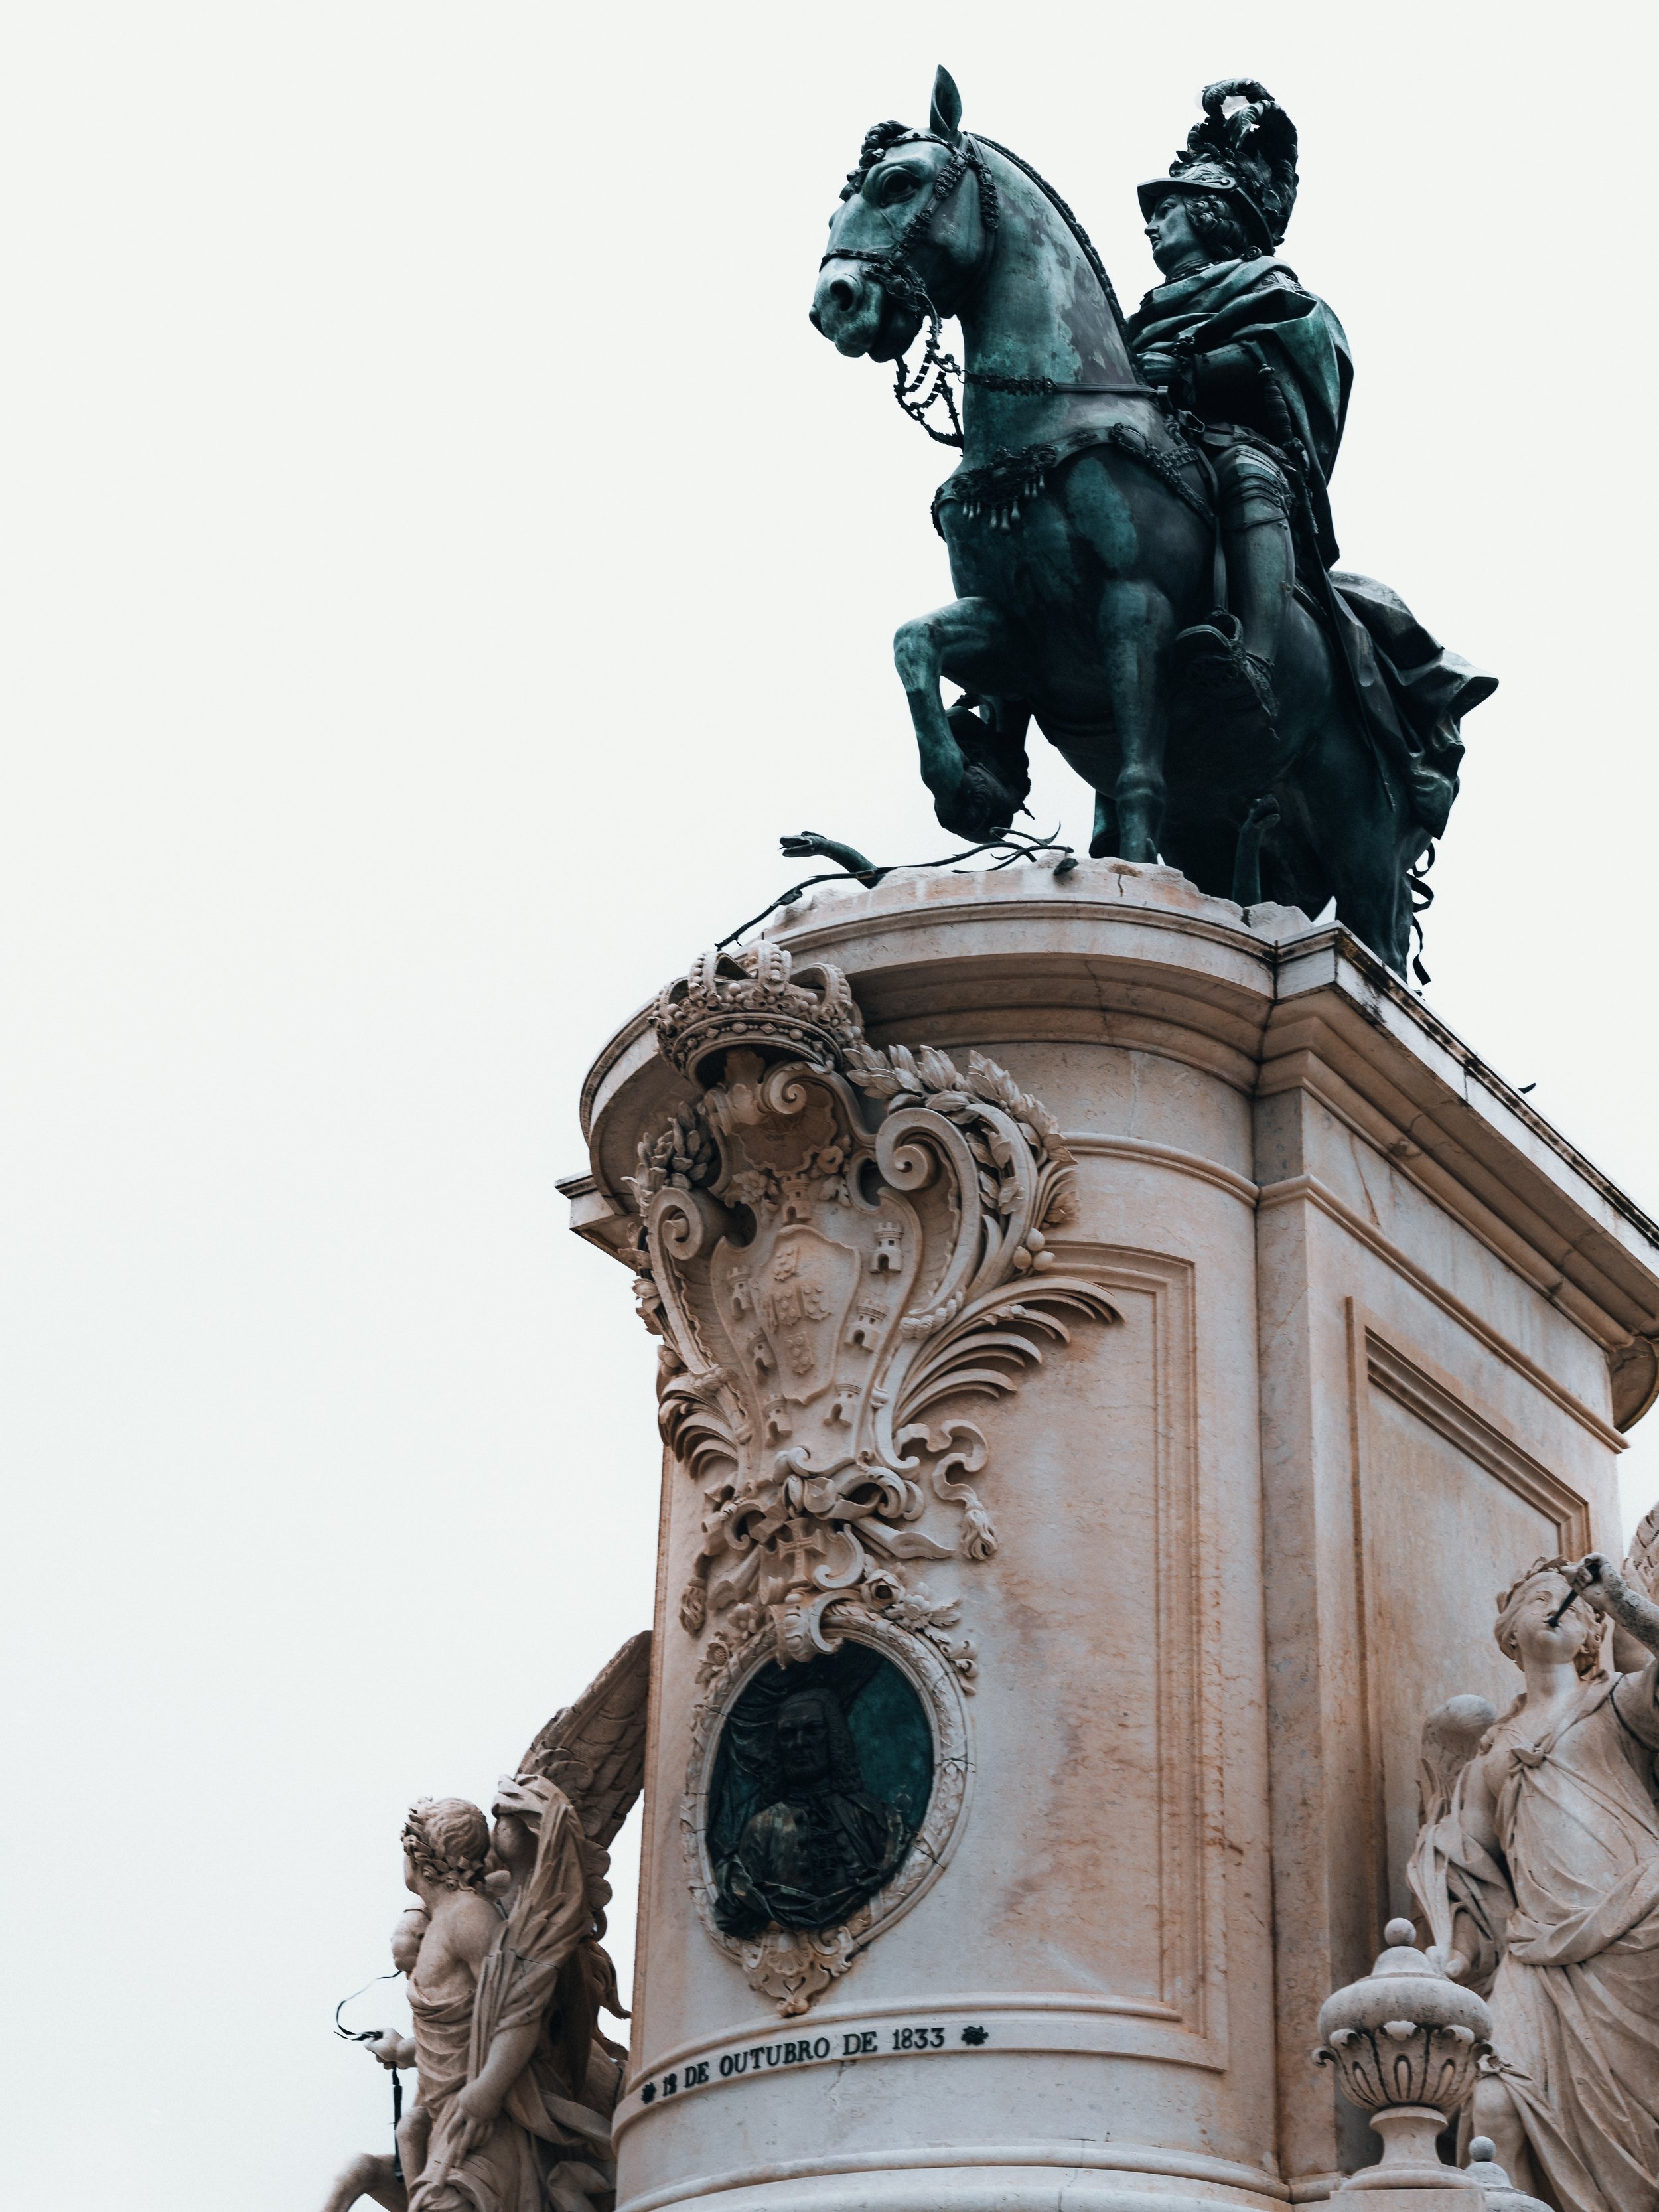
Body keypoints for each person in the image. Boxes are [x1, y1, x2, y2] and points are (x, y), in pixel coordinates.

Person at [1408, 1554, 1659, 2212]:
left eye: (1570, 1602)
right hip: (1532, 1951)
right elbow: (1470, 1871)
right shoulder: (1488, 1753)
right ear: (1510, 1634)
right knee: (1494, 2105)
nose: (1556, 1607)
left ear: (1591, 1636)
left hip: (1639, 1927)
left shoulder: (1618, 1703)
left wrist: (1622, 1601)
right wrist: (1455, 1954)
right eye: (1537, 1598)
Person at [1126, 80, 1346, 741]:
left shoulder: (1267, 287)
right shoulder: (1138, 315)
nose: (1150, 224)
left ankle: (1255, 661)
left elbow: (1295, 354)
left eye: (1167, 209)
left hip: (1238, 444)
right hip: (1154, 443)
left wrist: (1194, 370)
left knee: (1248, 472)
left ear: (1209, 212)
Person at [713, 1687, 909, 1937]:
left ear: (833, 1737)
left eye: (813, 1730)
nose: (799, 1743)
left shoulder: (873, 1818)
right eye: (787, 1734)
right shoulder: (762, 1829)